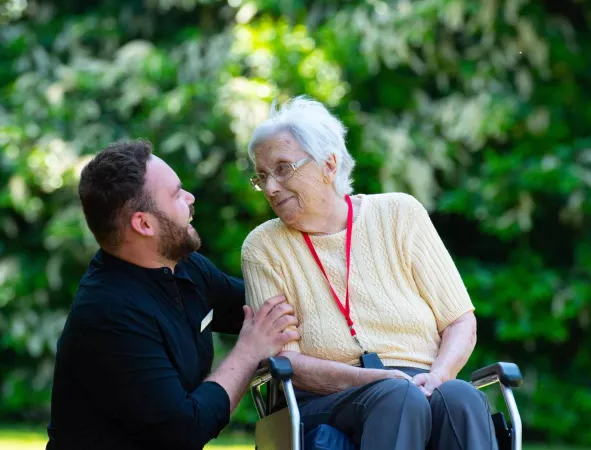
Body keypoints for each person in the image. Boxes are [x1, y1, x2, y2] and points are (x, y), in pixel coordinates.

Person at [240, 96, 498, 450]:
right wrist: (372, 378)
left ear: (329, 165)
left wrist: (438, 377)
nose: (270, 187)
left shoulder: (400, 214)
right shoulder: (264, 247)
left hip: (420, 382)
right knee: (396, 397)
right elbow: (285, 359)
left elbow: (459, 321)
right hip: (328, 398)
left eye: (283, 168)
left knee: (461, 398)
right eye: (262, 176)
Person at [46, 139, 300, 450]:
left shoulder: (187, 268)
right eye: (177, 195)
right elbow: (185, 430)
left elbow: (270, 309)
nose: (191, 198)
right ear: (143, 224)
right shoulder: (109, 314)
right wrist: (249, 352)